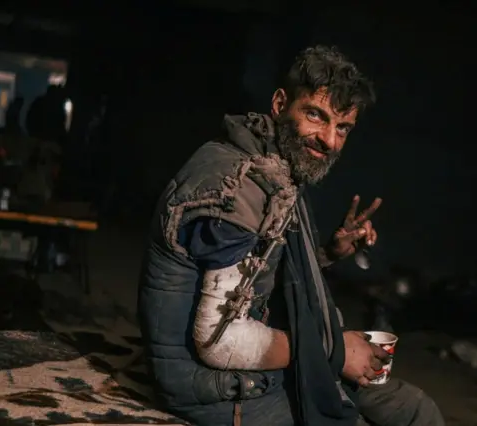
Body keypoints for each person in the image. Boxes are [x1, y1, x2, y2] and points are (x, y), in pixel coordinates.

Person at [138, 45, 445, 426]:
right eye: (316, 116)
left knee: (415, 408)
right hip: (212, 387)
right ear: (280, 104)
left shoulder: (271, 164)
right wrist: (333, 351)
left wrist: (328, 253)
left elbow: (255, 272)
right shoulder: (239, 186)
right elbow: (220, 343)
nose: (329, 141)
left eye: (342, 128)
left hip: (243, 372)